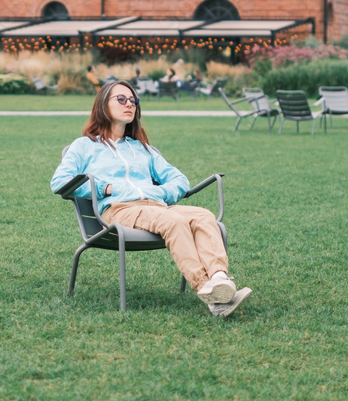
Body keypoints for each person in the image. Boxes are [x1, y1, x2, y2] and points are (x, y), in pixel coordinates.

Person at [50, 80, 252, 317]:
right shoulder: (85, 146)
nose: (130, 104)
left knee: (203, 216)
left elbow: (179, 180)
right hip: (119, 210)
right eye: (121, 99)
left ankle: (220, 281)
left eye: (133, 100)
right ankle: (206, 288)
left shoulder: (143, 149)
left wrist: (160, 193)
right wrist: (105, 188)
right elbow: (60, 181)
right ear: (103, 105)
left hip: (156, 207)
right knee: (173, 221)